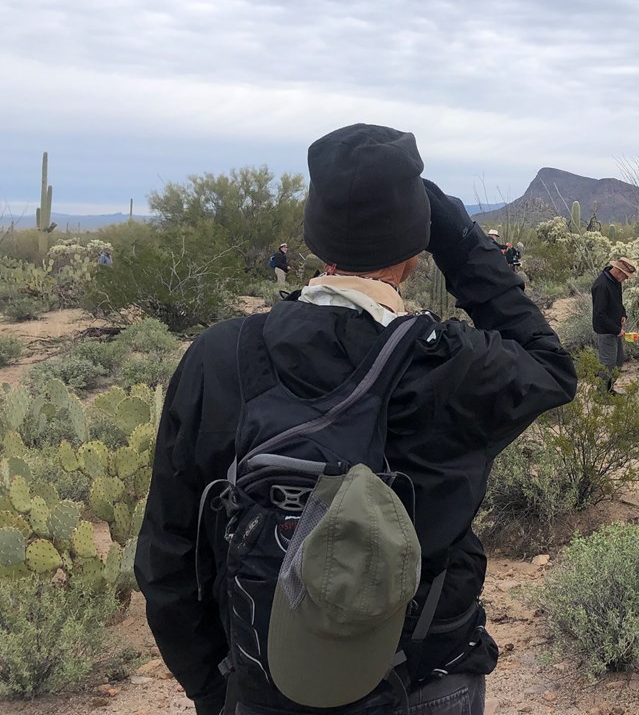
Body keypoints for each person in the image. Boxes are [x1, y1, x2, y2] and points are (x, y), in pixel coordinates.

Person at [135, 123, 578, 715]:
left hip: (266, 679)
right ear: (416, 248)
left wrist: (217, 690)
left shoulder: (219, 358)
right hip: (427, 676)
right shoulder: (452, 366)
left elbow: (168, 553)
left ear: (317, 239)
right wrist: (460, 240)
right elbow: (551, 368)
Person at [591, 256, 636, 394]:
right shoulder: (602, 285)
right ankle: (601, 393)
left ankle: (609, 389)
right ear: (618, 271)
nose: (626, 279)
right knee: (608, 364)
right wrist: (617, 329)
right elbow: (600, 314)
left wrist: (623, 314)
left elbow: (618, 302)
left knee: (618, 361)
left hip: (615, 329)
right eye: (626, 276)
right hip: (606, 331)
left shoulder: (615, 282)